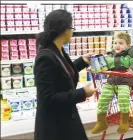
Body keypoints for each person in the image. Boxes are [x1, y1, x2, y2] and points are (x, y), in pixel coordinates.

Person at [34, 9, 97, 140]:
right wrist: (82, 93)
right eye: (72, 28)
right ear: (65, 30)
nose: (72, 32)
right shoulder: (45, 57)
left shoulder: (58, 49)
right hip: (55, 128)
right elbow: (47, 99)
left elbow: (61, 72)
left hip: (66, 120)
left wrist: (81, 62)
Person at [91, 32, 133, 134]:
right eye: (115, 43)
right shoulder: (110, 55)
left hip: (125, 81)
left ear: (128, 45)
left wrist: (132, 69)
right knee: (103, 98)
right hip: (112, 80)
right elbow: (103, 65)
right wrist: (96, 65)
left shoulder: (132, 55)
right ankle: (101, 122)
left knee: (123, 97)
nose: (117, 45)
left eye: (121, 43)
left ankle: (124, 122)